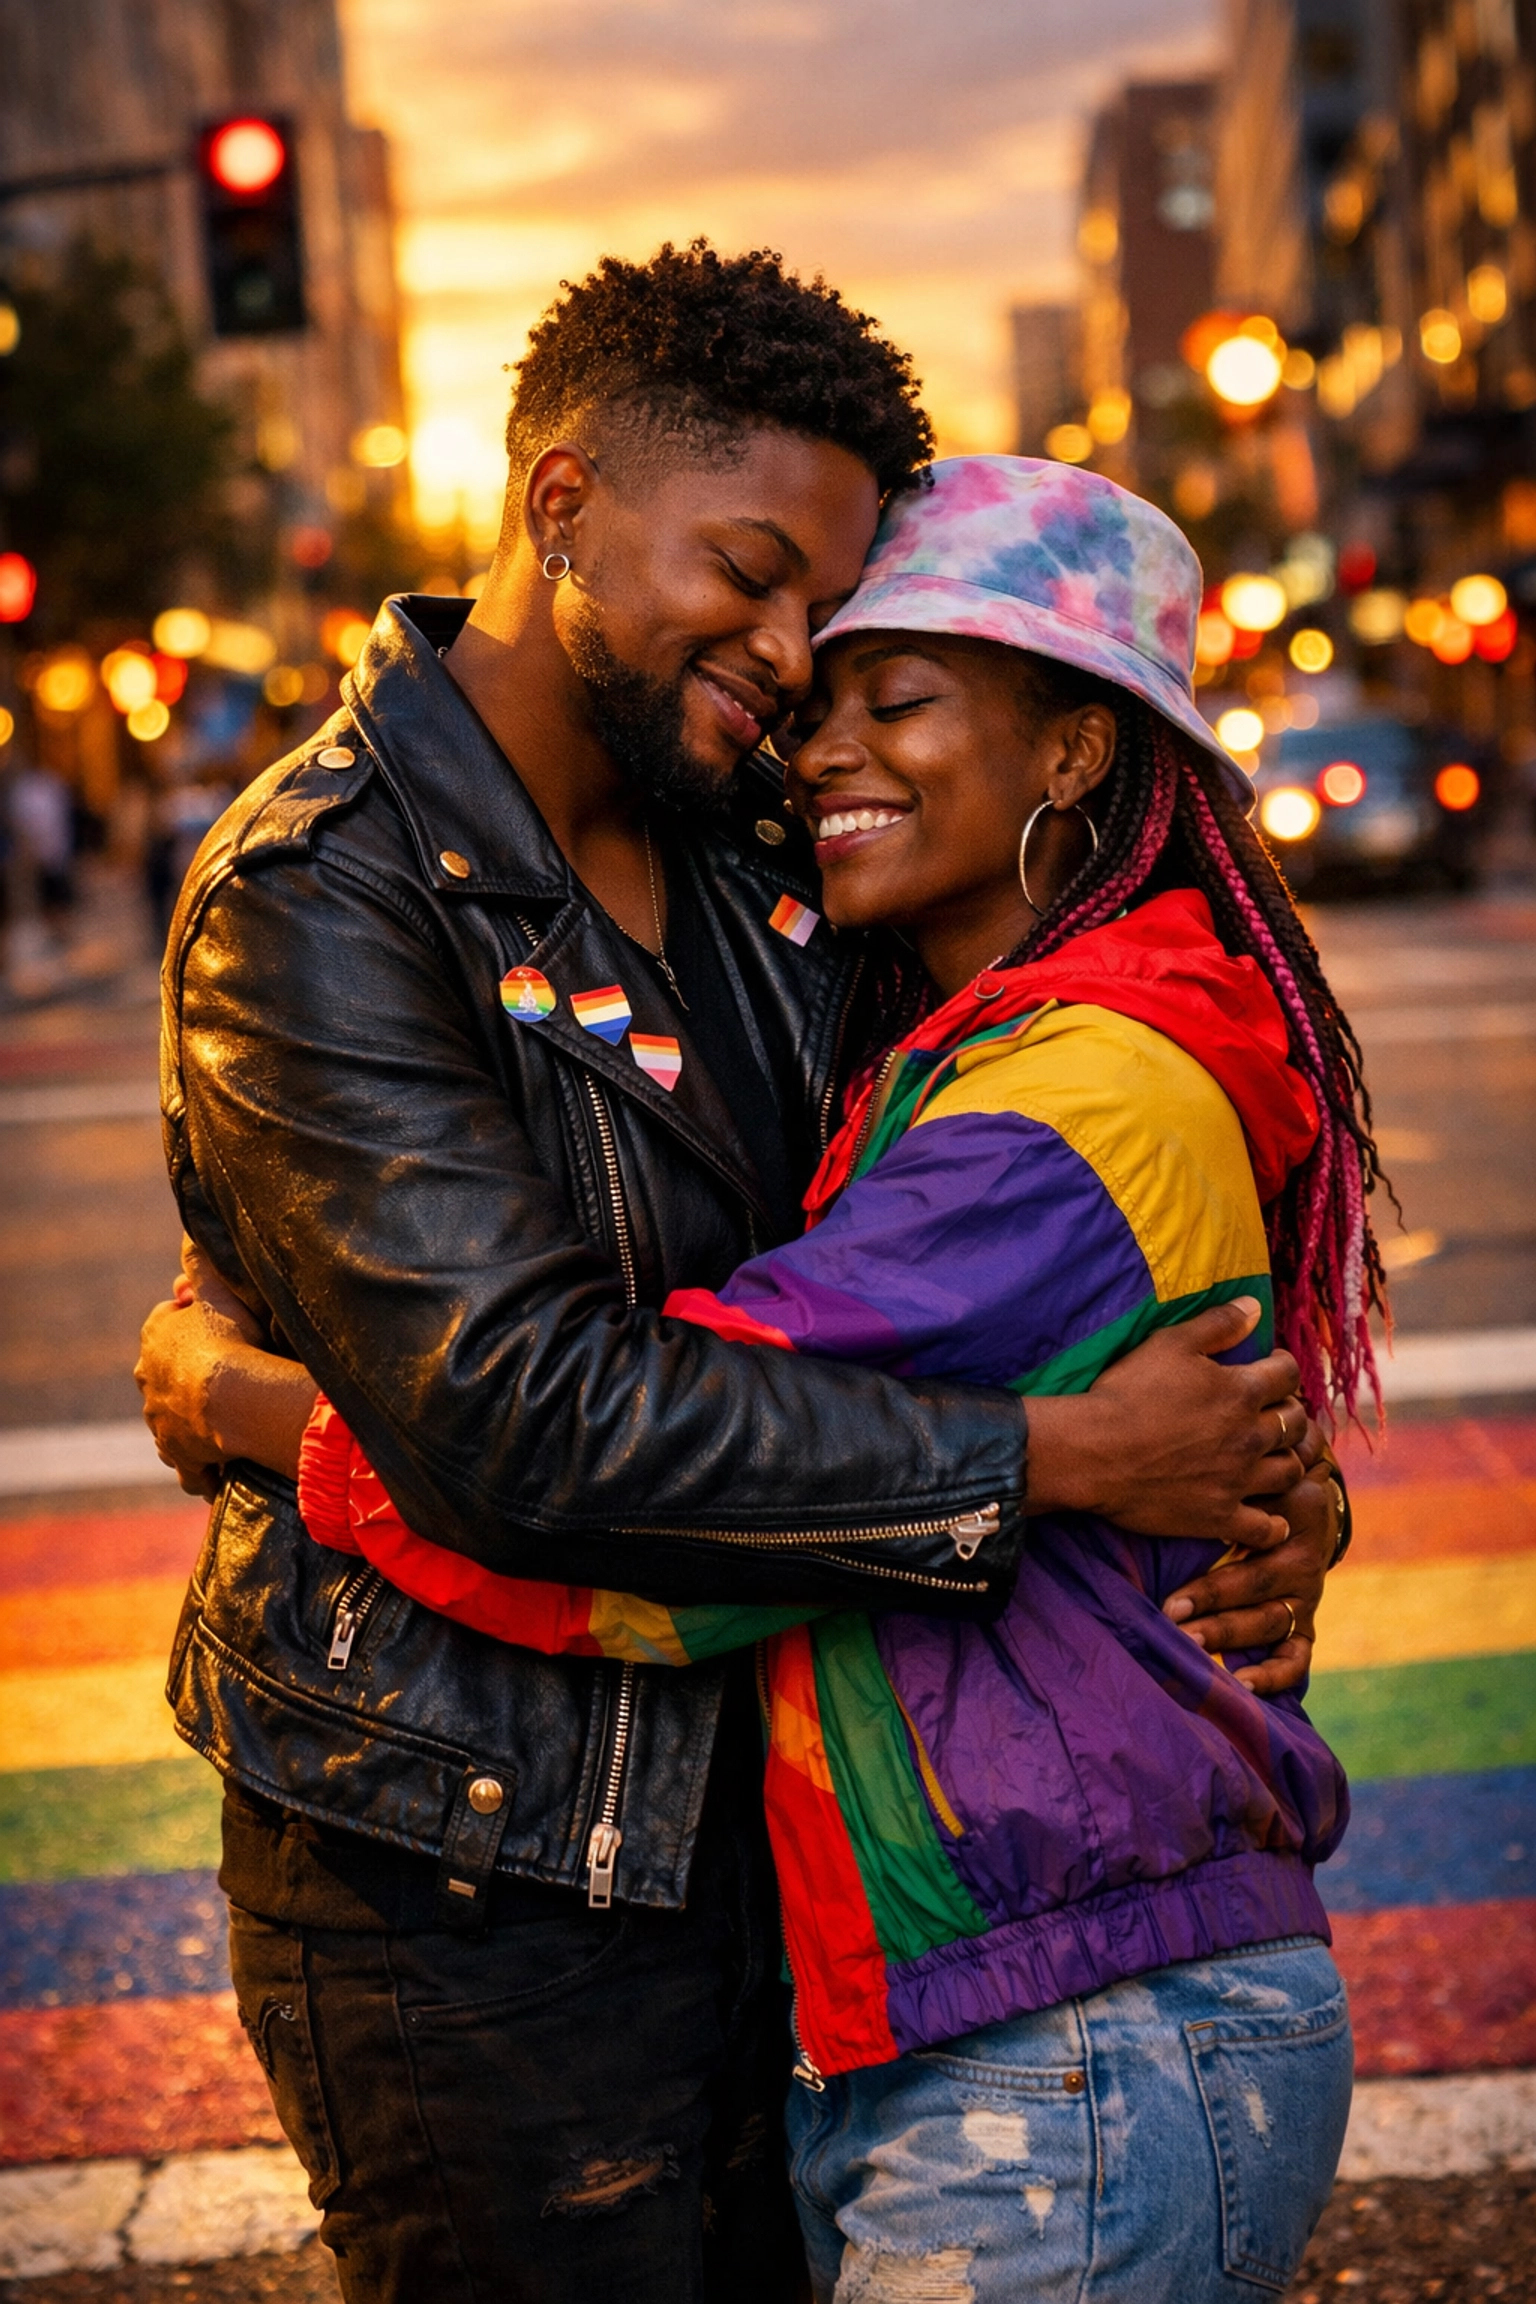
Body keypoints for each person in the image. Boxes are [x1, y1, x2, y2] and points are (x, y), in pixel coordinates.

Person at [137, 251, 1342, 2304]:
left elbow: (988, 1216)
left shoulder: (767, 856)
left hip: (780, 1867)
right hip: (469, 1872)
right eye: (755, 575)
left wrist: (1259, 1478)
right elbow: (525, 1427)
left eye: (833, 613)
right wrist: (1049, 1461)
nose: (791, 655)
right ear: (558, 503)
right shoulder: (318, 899)